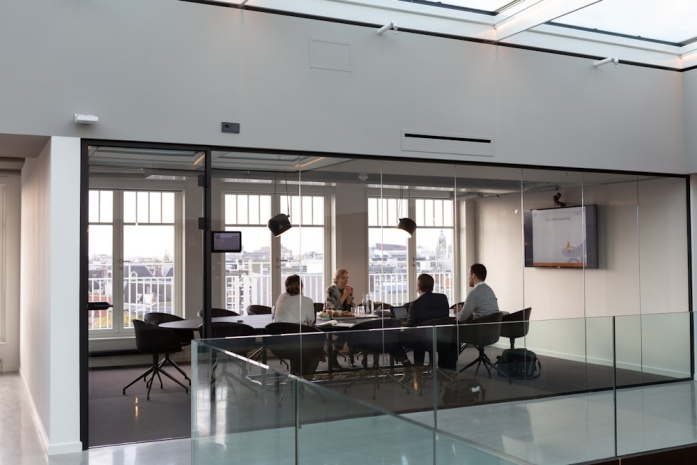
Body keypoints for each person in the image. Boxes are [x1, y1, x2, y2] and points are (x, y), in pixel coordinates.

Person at [404, 273, 451, 369]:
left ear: (419, 287)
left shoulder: (415, 304)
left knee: (416, 337)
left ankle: (418, 371)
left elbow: (409, 327)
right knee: (421, 335)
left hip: (423, 341)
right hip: (442, 338)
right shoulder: (443, 298)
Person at [324, 268, 355, 367]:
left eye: (347, 278)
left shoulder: (348, 290)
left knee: (354, 329)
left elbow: (351, 309)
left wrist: (349, 299)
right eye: (343, 278)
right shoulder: (331, 290)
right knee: (344, 332)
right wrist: (344, 296)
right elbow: (333, 307)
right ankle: (333, 356)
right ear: (337, 278)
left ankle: (349, 356)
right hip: (331, 319)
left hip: (345, 319)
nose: (346, 280)